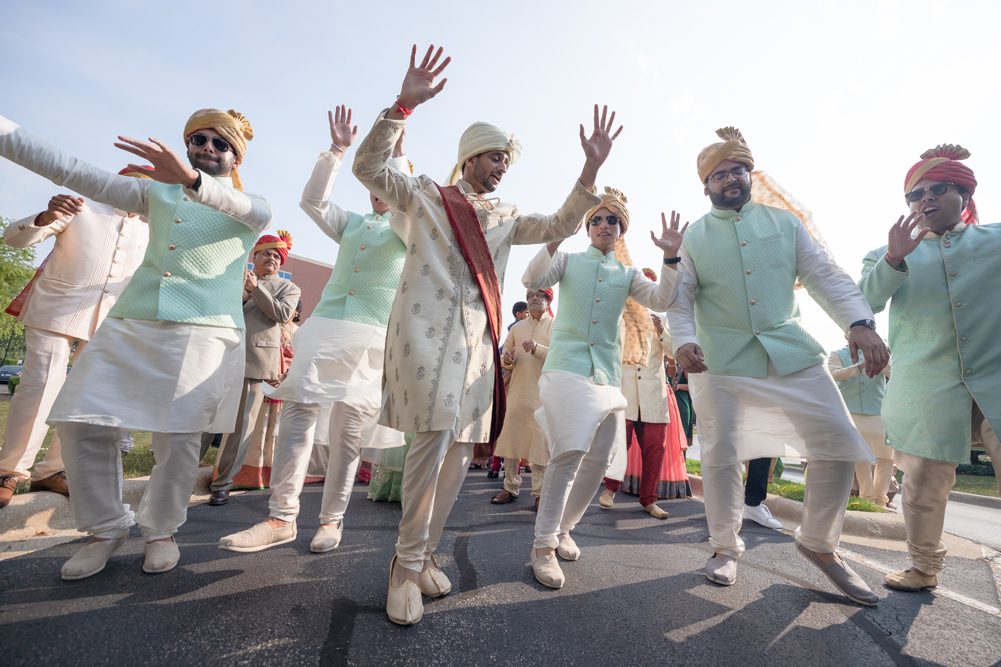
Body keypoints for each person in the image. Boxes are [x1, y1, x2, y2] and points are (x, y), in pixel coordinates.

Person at [352, 44, 622, 625]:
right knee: (429, 445)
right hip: (423, 339)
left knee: (454, 455)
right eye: (494, 156)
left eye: (507, 159)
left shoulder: (504, 216)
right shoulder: (426, 194)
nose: (502, 166)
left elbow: (557, 225)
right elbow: (369, 170)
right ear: (470, 157)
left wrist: (590, 172)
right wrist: (403, 105)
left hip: (475, 350)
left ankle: (422, 556)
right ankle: (402, 566)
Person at [0, 108, 271, 579]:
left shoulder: (251, 207)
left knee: (179, 439)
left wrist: (188, 179)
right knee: (80, 420)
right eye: (198, 139)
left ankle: (160, 531)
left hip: (203, 329)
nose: (207, 148)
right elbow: (71, 170)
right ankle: (106, 528)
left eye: (219, 144)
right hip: (131, 321)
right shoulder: (153, 192)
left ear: (235, 158)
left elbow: (248, 212)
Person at [668, 127, 888, 606]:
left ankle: (818, 543)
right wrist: (683, 341)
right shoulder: (694, 238)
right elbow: (678, 302)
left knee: (836, 442)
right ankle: (725, 547)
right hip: (719, 362)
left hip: (792, 352)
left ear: (751, 174)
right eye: (719, 174)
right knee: (723, 456)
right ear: (705, 186)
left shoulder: (785, 224)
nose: (730, 179)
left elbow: (826, 274)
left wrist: (860, 323)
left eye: (737, 170)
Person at [218, 106, 407, 554]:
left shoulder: (408, 226)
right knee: (298, 414)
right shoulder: (354, 224)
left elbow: (405, 196)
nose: (377, 192)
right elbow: (314, 202)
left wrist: (398, 152)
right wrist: (337, 152)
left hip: (371, 336)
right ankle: (281, 516)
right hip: (323, 328)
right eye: (372, 185)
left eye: (386, 184)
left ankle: (332, 520)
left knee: (346, 431)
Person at [858, 144, 1001, 591]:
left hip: (995, 381)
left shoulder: (995, 241)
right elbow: (864, 302)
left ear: (964, 194)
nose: (926, 200)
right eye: (916, 195)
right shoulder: (885, 253)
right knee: (921, 483)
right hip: (927, 387)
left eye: (938, 189)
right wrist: (894, 259)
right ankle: (923, 568)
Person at [525, 189, 684, 589]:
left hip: (607, 378)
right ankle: (542, 546)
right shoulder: (568, 260)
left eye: (611, 220)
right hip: (566, 369)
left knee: (602, 456)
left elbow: (663, 298)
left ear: (621, 230)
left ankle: (564, 528)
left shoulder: (627, 275)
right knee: (571, 452)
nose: (602, 226)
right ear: (587, 226)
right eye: (596, 219)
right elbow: (533, 278)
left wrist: (670, 256)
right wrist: (555, 237)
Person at [1, 179, 149, 507]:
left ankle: (53, 470)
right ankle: (11, 470)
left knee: (82, 399)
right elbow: (14, 238)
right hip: (55, 309)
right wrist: (45, 216)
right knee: (42, 384)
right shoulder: (83, 207)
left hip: (107, 322)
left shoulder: (151, 230)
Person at [206, 230, 300, 505]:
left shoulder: (288, 288)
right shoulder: (233, 279)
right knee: (204, 415)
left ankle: (223, 482)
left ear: (281, 263)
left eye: (276, 255)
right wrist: (244, 293)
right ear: (254, 257)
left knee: (241, 424)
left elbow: (282, 314)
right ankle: (184, 472)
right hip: (220, 353)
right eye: (266, 253)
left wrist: (256, 290)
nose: (271, 258)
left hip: (256, 360)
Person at [598, 297, 674, 519]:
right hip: (625, 395)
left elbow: (674, 351)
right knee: (619, 444)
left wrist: (661, 330)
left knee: (654, 450)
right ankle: (611, 489)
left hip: (653, 398)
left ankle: (649, 500)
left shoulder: (661, 320)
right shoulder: (618, 321)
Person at [490, 288, 554, 509]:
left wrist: (538, 349)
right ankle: (509, 487)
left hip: (543, 395)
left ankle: (539, 494)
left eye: (539, 295)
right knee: (511, 443)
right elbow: (504, 358)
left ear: (547, 300)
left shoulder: (556, 327)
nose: (533, 299)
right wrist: (506, 358)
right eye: (529, 296)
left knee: (539, 445)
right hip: (518, 393)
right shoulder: (517, 328)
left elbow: (560, 356)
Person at [828, 345, 893, 507]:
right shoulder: (837, 354)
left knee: (886, 456)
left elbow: (895, 374)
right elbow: (833, 374)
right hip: (851, 412)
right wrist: (860, 367)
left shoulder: (881, 352)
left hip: (879, 411)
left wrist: (881, 362)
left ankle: (880, 498)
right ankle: (868, 497)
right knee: (860, 455)